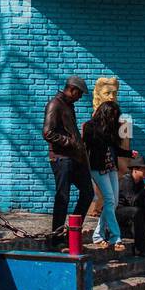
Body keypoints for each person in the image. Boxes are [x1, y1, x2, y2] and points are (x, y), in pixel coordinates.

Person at [43, 74, 93, 238]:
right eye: (79, 94)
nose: (79, 98)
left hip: (74, 158)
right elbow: (48, 133)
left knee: (88, 192)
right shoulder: (55, 104)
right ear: (72, 89)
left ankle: (73, 232)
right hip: (61, 158)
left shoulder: (68, 105)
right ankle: (57, 237)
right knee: (63, 196)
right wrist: (70, 142)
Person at [83, 100, 128, 250]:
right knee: (109, 199)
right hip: (97, 168)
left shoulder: (112, 128)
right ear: (105, 113)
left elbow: (115, 148)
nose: (114, 118)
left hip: (111, 167)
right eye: (112, 115)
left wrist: (129, 153)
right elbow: (86, 147)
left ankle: (97, 234)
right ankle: (116, 237)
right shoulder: (90, 127)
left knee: (113, 203)